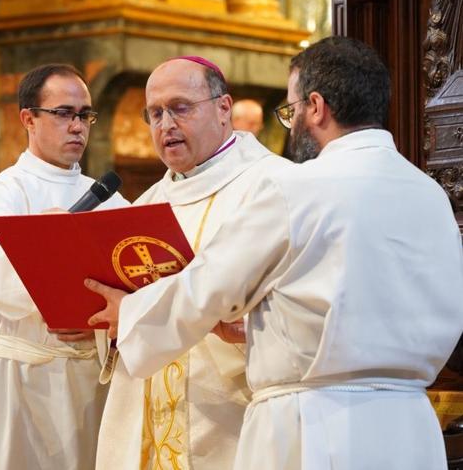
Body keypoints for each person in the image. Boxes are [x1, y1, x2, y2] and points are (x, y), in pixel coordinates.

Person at [87, 36, 463, 469]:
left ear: (316, 107)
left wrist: (131, 313)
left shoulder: (293, 187)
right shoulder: (431, 195)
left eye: (292, 109)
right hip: (408, 424)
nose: (293, 121)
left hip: (313, 422)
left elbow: (211, 283)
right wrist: (263, 329)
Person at [94, 56, 289, 470]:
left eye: (181, 107)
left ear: (223, 109)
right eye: (155, 113)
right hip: (146, 411)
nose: (165, 124)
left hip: (227, 411)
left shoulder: (273, 186)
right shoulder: (146, 205)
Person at [0, 63, 129, 470]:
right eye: (64, 113)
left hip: (91, 379)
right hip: (23, 379)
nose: (78, 126)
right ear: (28, 119)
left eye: (85, 115)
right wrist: (44, 243)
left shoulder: (107, 198)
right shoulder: (2, 194)